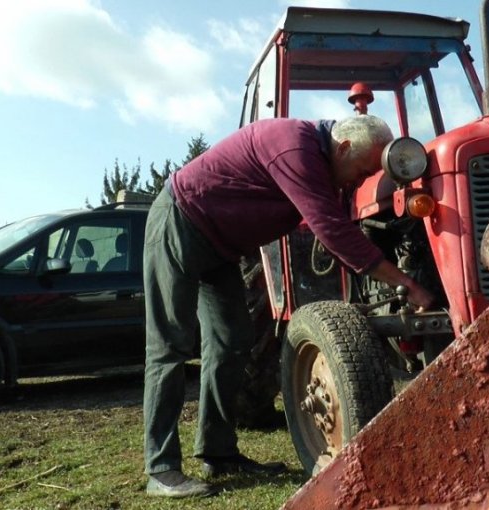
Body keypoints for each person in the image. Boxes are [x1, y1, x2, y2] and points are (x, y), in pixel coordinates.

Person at [142, 114, 434, 498]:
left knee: (232, 341)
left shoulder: (325, 160)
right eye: (361, 171)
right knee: (170, 345)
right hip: (181, 222)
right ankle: (161, 469)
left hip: (221, 248)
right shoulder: (295, 147)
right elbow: (330, 229)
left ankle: (218, 451)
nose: (359, 181)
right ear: (343, 148)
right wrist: (406, 283)